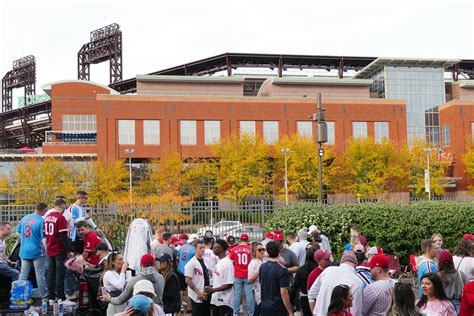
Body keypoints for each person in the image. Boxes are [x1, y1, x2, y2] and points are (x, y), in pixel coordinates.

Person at [308, 251, 363, 316]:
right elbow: (356, 312)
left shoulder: (327, 270)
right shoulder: (357, 282)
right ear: (356, 265)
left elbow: (311, 294)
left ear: (341, 262)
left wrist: (314, 313)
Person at [16, 202, 48, 299]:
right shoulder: (41, 221)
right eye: (45, 210)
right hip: (37, 252)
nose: (46, 212)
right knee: (40, 274)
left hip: (24, 251)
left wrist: (25, 240)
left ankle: (19, 296)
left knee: (23, 274)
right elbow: (43, 239)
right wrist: (47, 252)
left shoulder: (24, 218)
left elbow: (17, 232)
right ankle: (44, 296)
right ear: (42, 210)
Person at [44, 198, 70, 301]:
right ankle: (60, 297)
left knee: (51, 274)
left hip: (50, 249)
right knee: (60, 275)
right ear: (62, 206)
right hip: (59, 250)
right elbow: (63, 236)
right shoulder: (61, 217)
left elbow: (44, 234)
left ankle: (51, 297)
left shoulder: (47, 217)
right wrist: (69, 250)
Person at [259, 240, 293, 316]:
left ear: (267, 251)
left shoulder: (262, 267)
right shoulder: (283, 270)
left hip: (265, 306)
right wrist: (290, 311)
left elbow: (262, 284)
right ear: (279, 251)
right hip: (278, 308)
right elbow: (284, 293)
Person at [206, 239, 234, 316]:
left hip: (225, 302)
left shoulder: (227, 264)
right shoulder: (219, 261)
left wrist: (214, 290)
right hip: (216, 300)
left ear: (221, 248)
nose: (213, 249)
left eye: (215, 248)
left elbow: (229, 283)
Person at [229, 233, 254, 316]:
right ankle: (250, 313)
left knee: (237, 294)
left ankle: (236, 313)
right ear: (247, 240)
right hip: (248, 274)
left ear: (240, 240)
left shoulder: (234, 249)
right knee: (249, 294)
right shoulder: (250, 249)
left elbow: (231, 261)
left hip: (237, 274)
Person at [289, 247, 318, 316]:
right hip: (318, 298)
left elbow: (295, 286)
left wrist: (291, 301)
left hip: (305, 299)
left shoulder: (301, 270)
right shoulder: (319, 269)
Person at [184, 239, 210, 316]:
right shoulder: (191, 263)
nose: (202, 250)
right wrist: (198, 292)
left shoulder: (205, 260)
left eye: (203, 247)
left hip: (205, 292)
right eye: (200, 248)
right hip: (196, 295)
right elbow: (188, 280)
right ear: (195, 249)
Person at [248, 242, 265, 316]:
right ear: (254, 252)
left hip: (266, 293)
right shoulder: (253, 263)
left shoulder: (265, 261)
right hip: (259, 293)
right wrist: (259, 270)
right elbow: (250, 280)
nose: (262, 251)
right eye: (260, 250)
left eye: (263, 249)